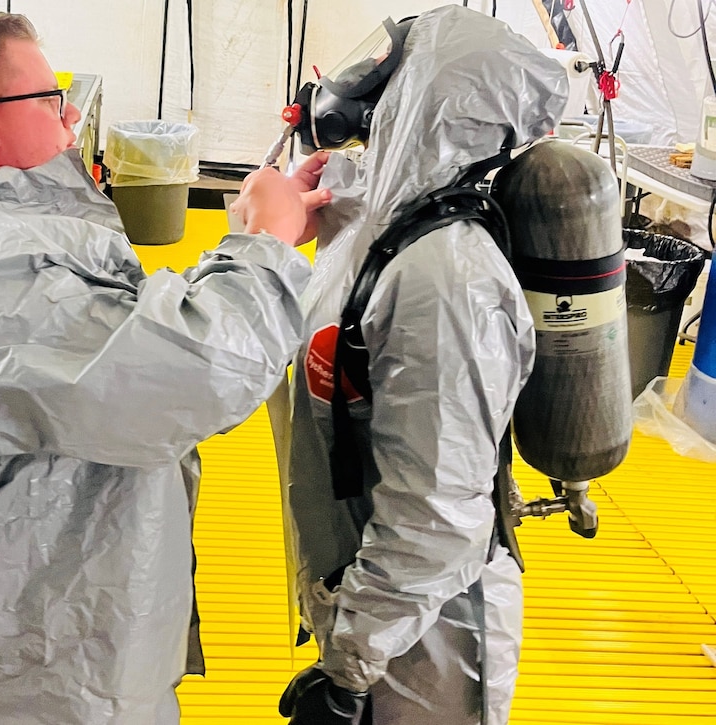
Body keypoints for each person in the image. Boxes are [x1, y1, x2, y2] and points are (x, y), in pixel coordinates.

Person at [0, 11, 329, 725]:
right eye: (45, 98)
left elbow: (108, 329)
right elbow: (191, 375)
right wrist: (266, 245)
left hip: (3, 648)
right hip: (21, 681)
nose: (68, 113)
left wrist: (249, 243)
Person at [235, 6, 569, 724]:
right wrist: (322, 196)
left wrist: (349, 668)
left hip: (429, 642)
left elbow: (435, 516)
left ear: (432, 94)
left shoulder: (449, 283)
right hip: (372, 605)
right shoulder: (381, 226)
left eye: (389, 71)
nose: (361, 90)